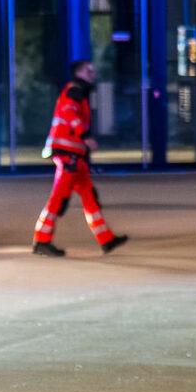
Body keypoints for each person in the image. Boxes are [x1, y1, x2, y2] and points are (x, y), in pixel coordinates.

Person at [33, 59, 127, 257]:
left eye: (93, 71)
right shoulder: (74, 90)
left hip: (76, 155)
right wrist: (85, 137)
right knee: (58, 200)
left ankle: (106, 239)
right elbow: (68, 113)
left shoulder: (80, 93)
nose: (92, 74)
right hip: (68, 155)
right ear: (78, 72)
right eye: (88, 71)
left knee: (89, 197)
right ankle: (41, 240)